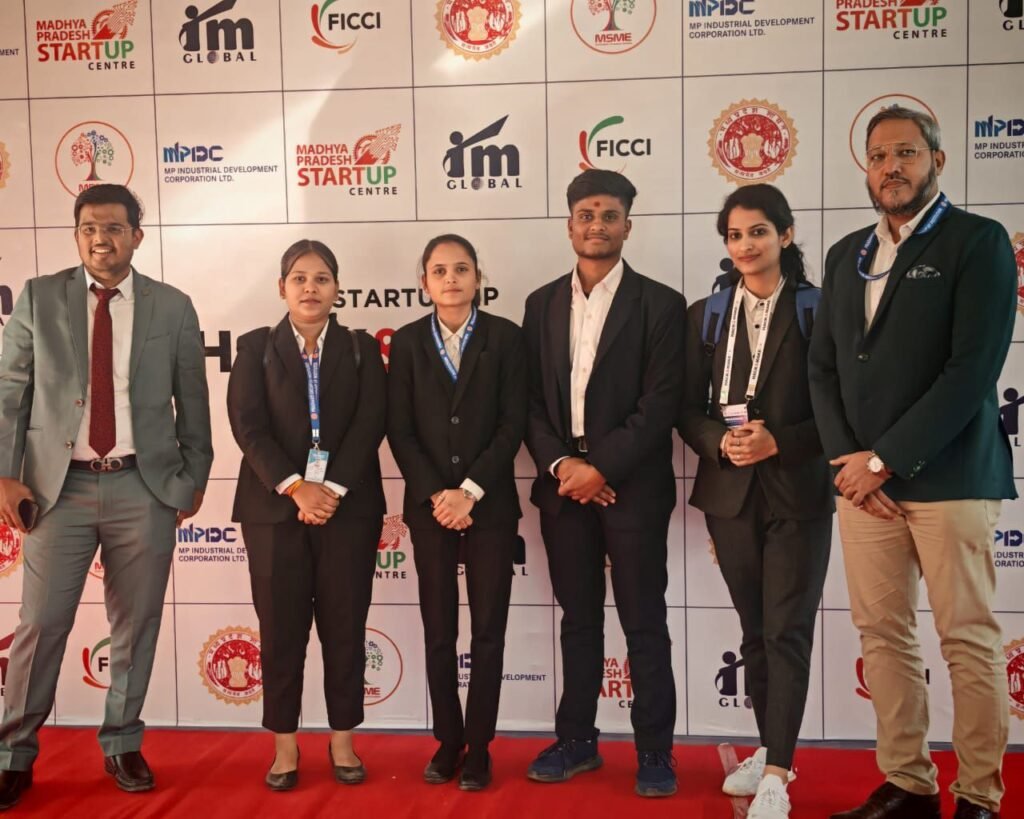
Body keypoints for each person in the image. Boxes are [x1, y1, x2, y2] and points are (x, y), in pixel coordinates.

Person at [809, 105, 1016, 819]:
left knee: (967, 639)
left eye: (905, 152)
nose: (890, 167)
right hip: (862, 489)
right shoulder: (847, 254)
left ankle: (980, 795)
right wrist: (849, 462)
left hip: (950, 476)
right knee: (884, 636)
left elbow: (971, 370)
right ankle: (908, 783)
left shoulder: (978, 241)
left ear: (937, 161)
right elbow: (823, 368)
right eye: (878, 156)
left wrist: (885, 460)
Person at [0, 184, 212, 808]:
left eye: (114, 228)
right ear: (77, 235)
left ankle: (122, 741)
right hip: (55, 489)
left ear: (136, 237)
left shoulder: (172, 307)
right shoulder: (39, 298)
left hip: (142, 486)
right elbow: (10, 393)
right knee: (41, 624)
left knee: (136, 623)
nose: (101, 239)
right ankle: (12, 753)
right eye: (89, 227)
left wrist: (193, 477)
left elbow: (193, 400)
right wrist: (5, 476)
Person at [521, 169, 685, 797]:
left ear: (627, 227)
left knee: (644, 621)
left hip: (632, 487)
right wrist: (565, 467)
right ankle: (577, 741)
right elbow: (529, 402)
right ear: (570, 226)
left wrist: (602, 468)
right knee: (579, 620)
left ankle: (656, 751)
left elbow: (661, 402)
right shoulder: (540, 304)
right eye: (586, 215)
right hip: (564, 488)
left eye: (609, 216)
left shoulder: (661, 304)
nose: (597, 225)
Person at [678, 184, 832, 819]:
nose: (745, 245)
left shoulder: (820, 310)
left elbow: (842, 411)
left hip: (798, 492)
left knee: (787, 631)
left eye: (759, 232)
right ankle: (772, 746)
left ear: (785, 235)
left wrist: (780, 443)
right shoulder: (706, 314)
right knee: (756, 632)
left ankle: (776, 774)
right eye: (735, 235)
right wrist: (720, 442)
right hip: (730, 495)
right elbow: (686, 409)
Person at [226, 239, 386, 791]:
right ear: (282, 288)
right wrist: (297, 488)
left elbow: (372, 420)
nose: (310, 288)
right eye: (299, 278)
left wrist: (331, 489)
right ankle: (284, 745)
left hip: (348, 507)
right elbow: (247, 425)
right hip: (274, 510)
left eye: (321, 278)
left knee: (345, 626)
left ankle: (343, 740)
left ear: (337, 288)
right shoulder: (255, 348)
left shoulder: (361, 349)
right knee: (280, 630)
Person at [387, 234, 526, 791]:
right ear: (423, 282)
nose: (451, 278)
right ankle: (449, 741)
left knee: (488, 630)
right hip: (430, 510)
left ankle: (481, 747)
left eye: (461, 268)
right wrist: (438, 495)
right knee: (439, 629)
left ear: (478, 278)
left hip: (489, 506)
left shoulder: (506, 337)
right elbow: (400, 429)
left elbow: (512, 424)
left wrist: (469, 491)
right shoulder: (406, 341)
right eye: (439, 270)